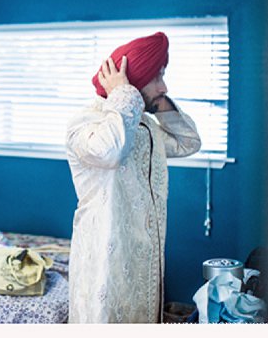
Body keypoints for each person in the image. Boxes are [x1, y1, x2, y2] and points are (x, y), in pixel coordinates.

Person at [65, 32, 201, 323]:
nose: (164, 85)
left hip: (145, 259)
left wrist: (157, 99)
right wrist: (125, 93)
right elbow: (110, 151)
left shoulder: (146, 127)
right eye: (157, 77)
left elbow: (189, 142)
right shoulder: (86, 123)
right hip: (105, 263)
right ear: (133, 80)